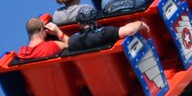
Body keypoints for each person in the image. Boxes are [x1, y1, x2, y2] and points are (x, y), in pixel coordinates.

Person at [16, 16, 148, 60]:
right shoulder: (53, 46)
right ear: (42, 30)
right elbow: (72, 44)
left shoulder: (21, 53)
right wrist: (57, 32)